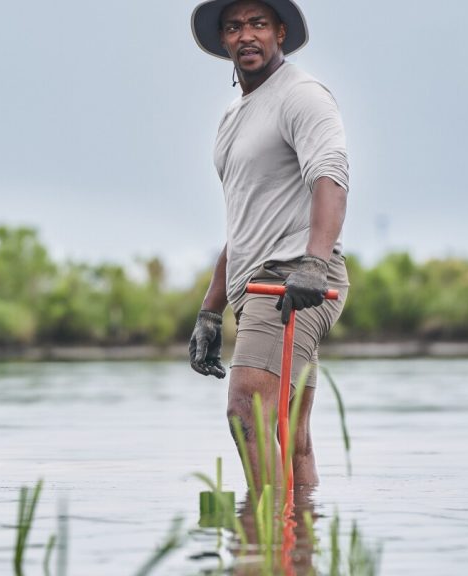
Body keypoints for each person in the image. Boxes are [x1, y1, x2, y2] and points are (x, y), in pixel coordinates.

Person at [188, 0, 350, 489]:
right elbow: (243, 226)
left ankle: (260, 548)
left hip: (291, 280)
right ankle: (298, 552)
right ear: (223, 41)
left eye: (258, 23)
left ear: (280, 31)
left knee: (246, 412)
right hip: (260, 284)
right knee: (290, 433)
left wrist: (314, 263)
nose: (246, 35)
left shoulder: (302, 96)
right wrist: (210, 312)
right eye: (234, 27)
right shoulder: (233, 118)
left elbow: (332, 175)